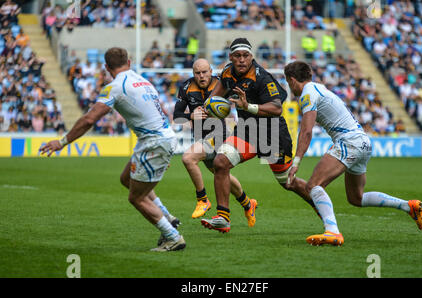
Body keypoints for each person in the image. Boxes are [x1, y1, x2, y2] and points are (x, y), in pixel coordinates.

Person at [40, 47, 186, 252]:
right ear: (129, 61)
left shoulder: (115, 87)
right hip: (162, 138)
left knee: (136, 197)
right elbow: (159, 112)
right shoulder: (143, 80)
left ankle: (173, 237)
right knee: (126, 178)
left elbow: (89, 119)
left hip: (154, 142)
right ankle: (167, 216)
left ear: (107, 67)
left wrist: (62, 142)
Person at [284, 61, 422, 246]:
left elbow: (306, 131)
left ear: (293, 80)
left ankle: (332, 232)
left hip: (348, 141)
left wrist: (296, 162)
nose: (290, 87)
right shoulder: (320, 89)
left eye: (288, 83)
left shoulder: (307, 94)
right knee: (356, 198)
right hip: (363, 142)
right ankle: (409, 206)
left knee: (313, 186)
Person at [200, 38, 317, 233]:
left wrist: (248, 106)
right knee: (220, 162)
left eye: (246, 55)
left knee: (287, 182)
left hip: (272, 133)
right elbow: (217, 95)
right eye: (237, 56)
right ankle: (223, 217)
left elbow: (277, 109)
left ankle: (321, 206)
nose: (242, 60)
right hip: (247, 130)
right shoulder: (228, 72)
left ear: (251, 57)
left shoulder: (262, 78)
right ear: (231, 57)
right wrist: (209, 105)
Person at [173, 58, 257, 226]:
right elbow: (177, 116)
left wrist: (228, 112)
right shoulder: (186, 87)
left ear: (211, 71)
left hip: (220, 133)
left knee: (188, 158)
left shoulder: (222, 84)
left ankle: (202, 199)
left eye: (205, 72)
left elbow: (240, 104)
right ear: (193, 74)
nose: (201, 76)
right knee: (221, 174)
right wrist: (191, 116)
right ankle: (248, 203)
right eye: (198, 73)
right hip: (202, 137)